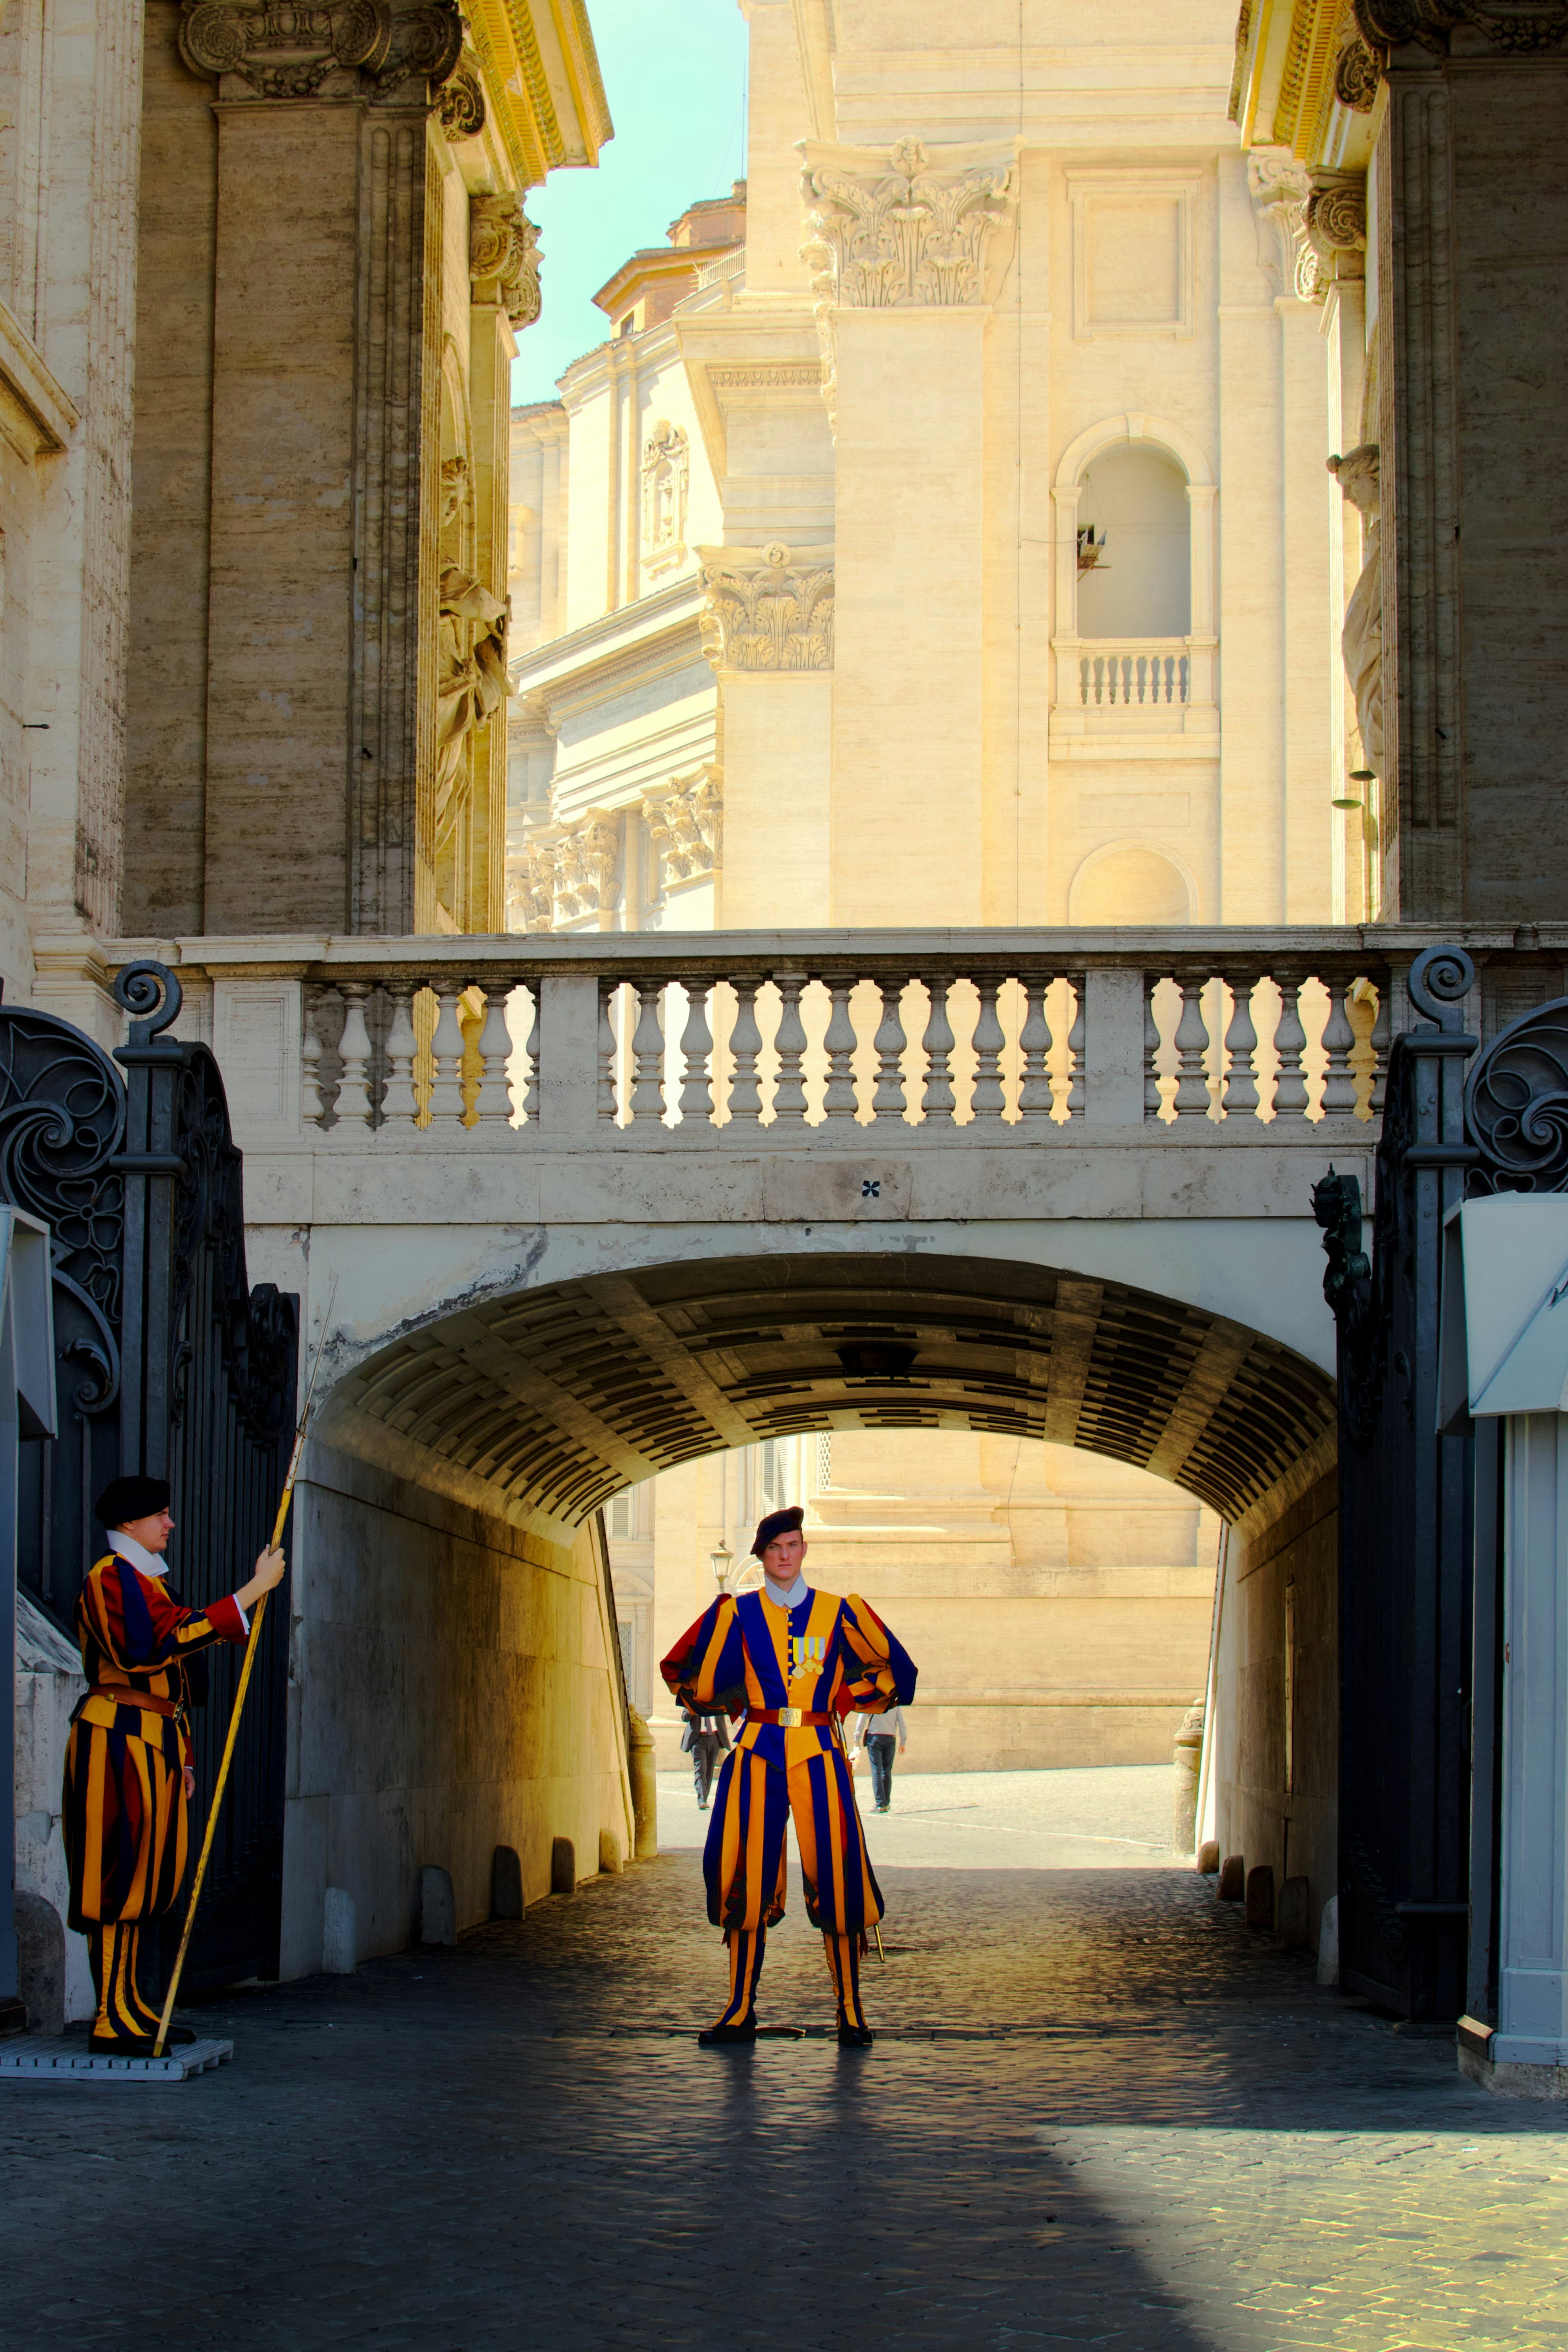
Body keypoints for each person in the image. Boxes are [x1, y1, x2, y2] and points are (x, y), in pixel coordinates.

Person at [661, 1505, 916, 2051]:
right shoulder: (738, 1612)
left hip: (819, 1751)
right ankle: (737, 2008)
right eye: (775, 1546)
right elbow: (691, 1671)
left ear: (803, 1550)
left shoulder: (838, 1611)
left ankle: (850, 2009)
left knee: (839, 1874)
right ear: (762, 1555)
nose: (784, 1554)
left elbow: (888, 1670)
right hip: (756, 1751)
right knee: (744, 1876)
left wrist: (851, 1703)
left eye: (793, 1544)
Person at [62, 1474, 287, 2051]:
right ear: (131, 1523)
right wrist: (250, 1592)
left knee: (150, 1877)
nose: (170, 1523)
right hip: (118, 1737)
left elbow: (173, 1685)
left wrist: (182, 1756)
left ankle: (131, 2004)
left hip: (152, 1740)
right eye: (160, 1515)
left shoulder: (145, 1582)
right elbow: (149, 1649)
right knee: (118, 1876)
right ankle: (110, 2016)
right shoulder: (111, 1577)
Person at [854, 1702, 908, 1812]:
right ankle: (886, 1803)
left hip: (874, 1738)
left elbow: (862, 1719)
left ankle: (880, 1804)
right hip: (890, 1738)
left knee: (877, 1771)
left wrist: (857, 1738)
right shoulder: (894, 1702)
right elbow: (902, 1723)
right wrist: (903, 1741)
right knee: (887, 1771)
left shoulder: (871, 1700)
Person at [680, 1702, 730, 1810]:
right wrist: (693, 1708)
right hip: (698, 1739)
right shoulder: (691, 1698)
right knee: (701, 1768)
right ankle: (702, 1799)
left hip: (714, 1738)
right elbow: (684, 1717)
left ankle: (705, 1798)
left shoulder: (716, 1699)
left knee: (709, 1769)